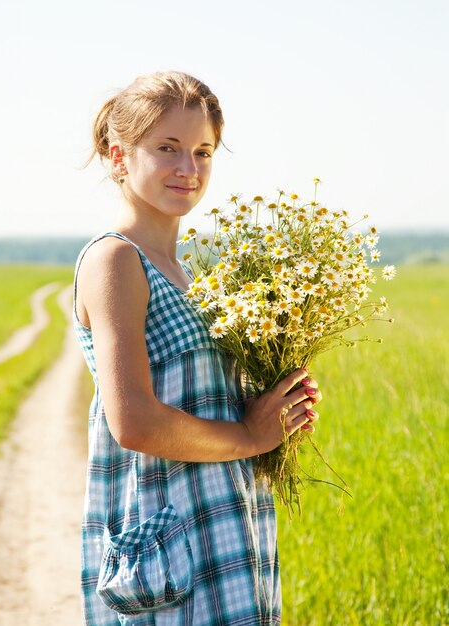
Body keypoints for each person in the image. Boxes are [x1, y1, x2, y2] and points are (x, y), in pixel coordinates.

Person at [73, 71, 322, 626]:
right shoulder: (116, 260)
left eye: (203, 151)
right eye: (168, 148)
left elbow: (201, 396)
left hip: (225, 519)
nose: (188, 168)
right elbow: (133, 421)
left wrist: (276, 400)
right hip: (167, 535)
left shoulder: (188, 275)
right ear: (120, 158)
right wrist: (250, 436)